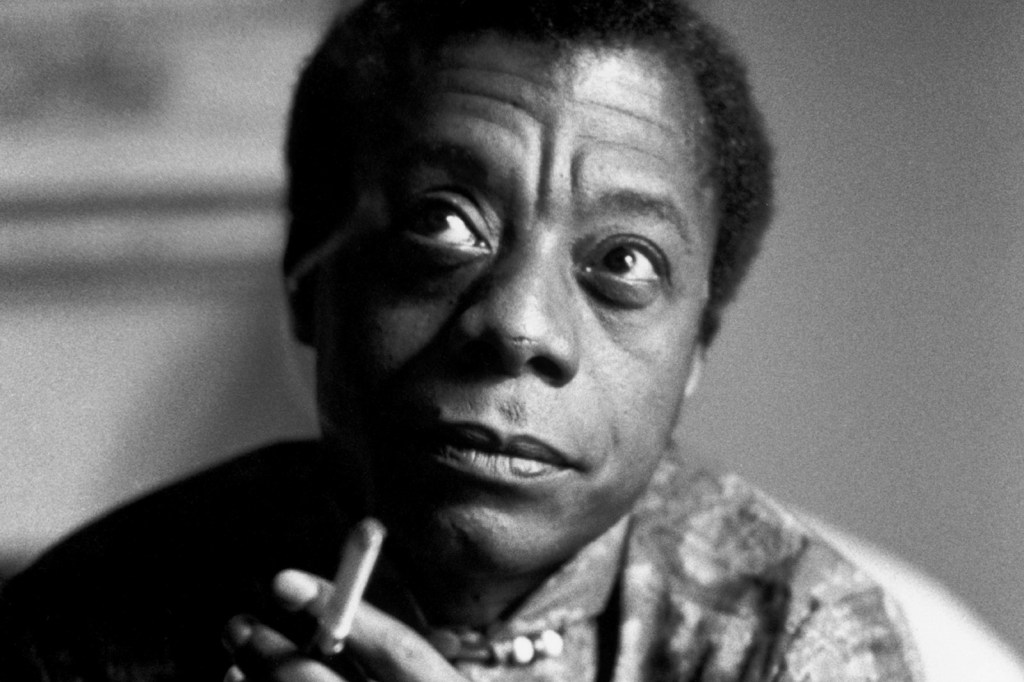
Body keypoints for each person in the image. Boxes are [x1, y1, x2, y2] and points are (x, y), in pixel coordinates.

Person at [0, 0, 924, 680]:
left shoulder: (796, 640)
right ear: (308, 283)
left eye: (625, 261)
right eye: (442, 223)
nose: (519, 326)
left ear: (695, 356)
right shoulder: (89, 618)